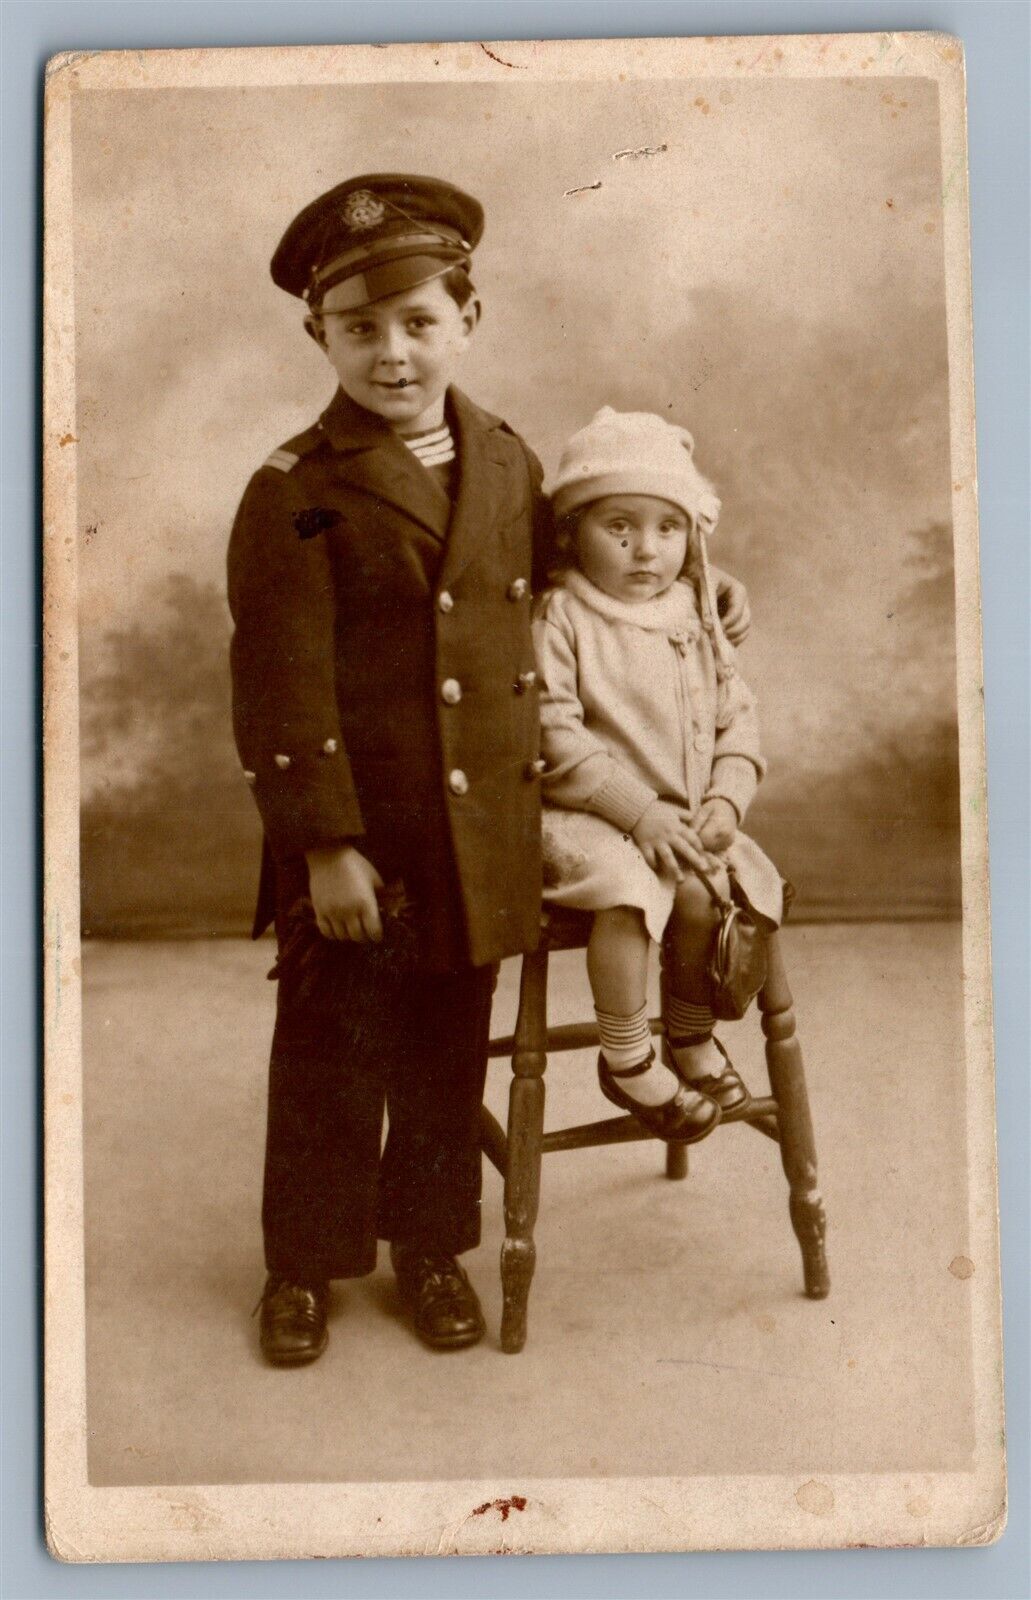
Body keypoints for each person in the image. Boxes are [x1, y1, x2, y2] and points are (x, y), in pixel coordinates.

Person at [228, 176, 753, 1365]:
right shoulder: (297, 492)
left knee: (440, 1047)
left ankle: (428, 1245)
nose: (393, 352)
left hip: (474, 831)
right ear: (317, 335)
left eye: (419, 321)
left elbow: (580, 573)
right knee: (330, 1050)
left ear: (467, 318)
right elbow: (279, 682)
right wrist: (323, 847)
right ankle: (301, 1262)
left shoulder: (506, 462)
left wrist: (695, 580)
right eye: (360, 327)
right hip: (360, 834)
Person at [533, 407, 786, 1144]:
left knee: (709, 890)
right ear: (572, 531)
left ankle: (688, 1036)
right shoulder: (562, 615)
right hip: (586, 814)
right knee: (629, 889)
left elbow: (736, 719)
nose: (646, 549)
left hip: (680, 815)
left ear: (692, 538)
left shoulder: (695, 616)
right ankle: (626, 1056)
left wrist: (725, 801)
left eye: (668, 528)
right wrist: (637, 811)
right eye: (619, 526)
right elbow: (551, 733)